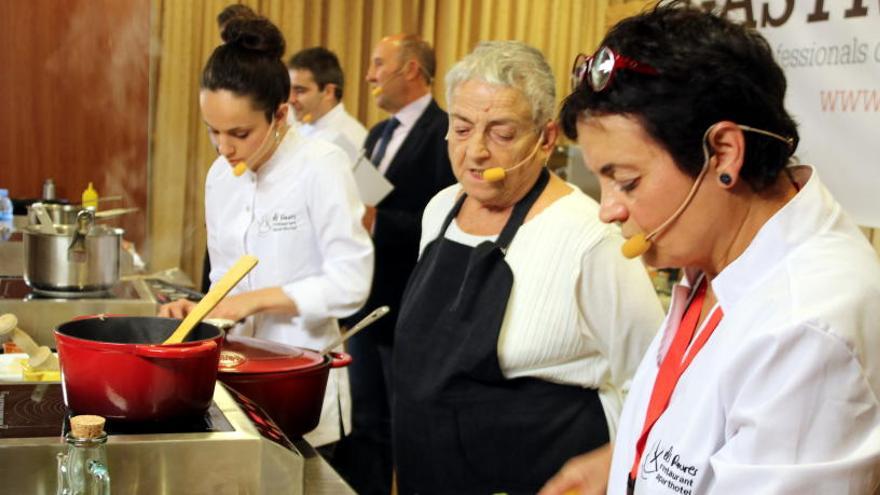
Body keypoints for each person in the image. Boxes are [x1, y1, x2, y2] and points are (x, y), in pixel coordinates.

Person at [541, 3, 880, 494]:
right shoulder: (715, 249)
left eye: (627, 182)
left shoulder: (807, 327)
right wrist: (623, 466)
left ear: (722, 154)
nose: (608, 209)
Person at [391, 40, 664, 495]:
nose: (475, 152)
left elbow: (653, 379)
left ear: (546, 138)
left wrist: (612, 467)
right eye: (461, 129)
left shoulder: (589, 237)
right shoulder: (439, 210)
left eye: (501, 133)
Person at [158, 16, 374, 449]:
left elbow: (351, 283)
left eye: (239, 133)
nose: (224, 148)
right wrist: (203, 308)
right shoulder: (220, 176)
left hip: (303, 382)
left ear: (280, 114)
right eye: (213, 131)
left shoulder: (322, 164)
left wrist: (257, 300)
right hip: (234, 376)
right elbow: (226, 278)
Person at [333, 33, 456, 495]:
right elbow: (371, 200)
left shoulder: (445, 131)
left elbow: (442, 220)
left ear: (411, 70)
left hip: (408, 304)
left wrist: (378, 220)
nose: (368, 76)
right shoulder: (377, 134)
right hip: (363, 299)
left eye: (378, 64)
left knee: (401, 424)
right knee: (364, 420)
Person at [286, 47, 367, 161]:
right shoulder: (302, 129)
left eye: (300, 90)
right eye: (289, 90)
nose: (291, 99)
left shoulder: (351, 137)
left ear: (328, 92)